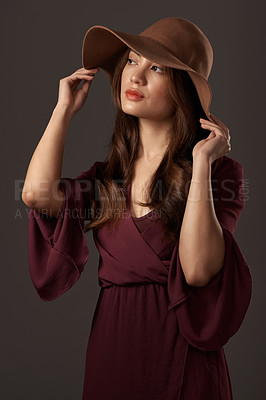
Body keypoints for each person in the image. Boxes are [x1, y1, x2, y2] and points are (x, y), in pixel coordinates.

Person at [22, 17, 252, 400]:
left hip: (183, 357)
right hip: (113, 352)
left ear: (183, 89)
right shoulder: (109, 176)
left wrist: (202, 164)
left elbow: (196, 271)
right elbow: (35, 195)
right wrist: (62, 111)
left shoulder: (221, 174)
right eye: (132, 61)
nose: (136, 76)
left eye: (156, 67)